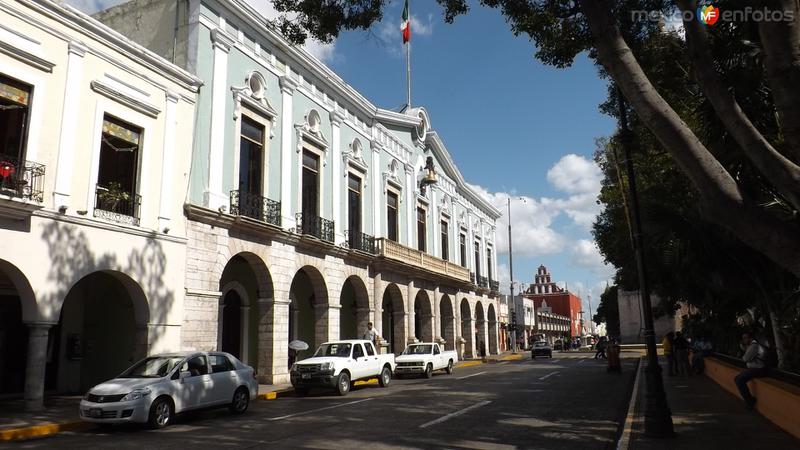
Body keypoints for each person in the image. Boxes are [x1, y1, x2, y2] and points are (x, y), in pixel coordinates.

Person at [735, 332, 769, 410]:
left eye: (745, 338)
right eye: (743, 338)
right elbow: (746, 351)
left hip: (758, 369)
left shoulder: (754, 346)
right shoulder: (751, 345)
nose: (744, 340)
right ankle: (749, 400)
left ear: (750, 338)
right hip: (755, 369)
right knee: (738, 378)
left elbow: (746, 358)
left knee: (739, 380)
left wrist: (743, 356)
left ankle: (750, 401)